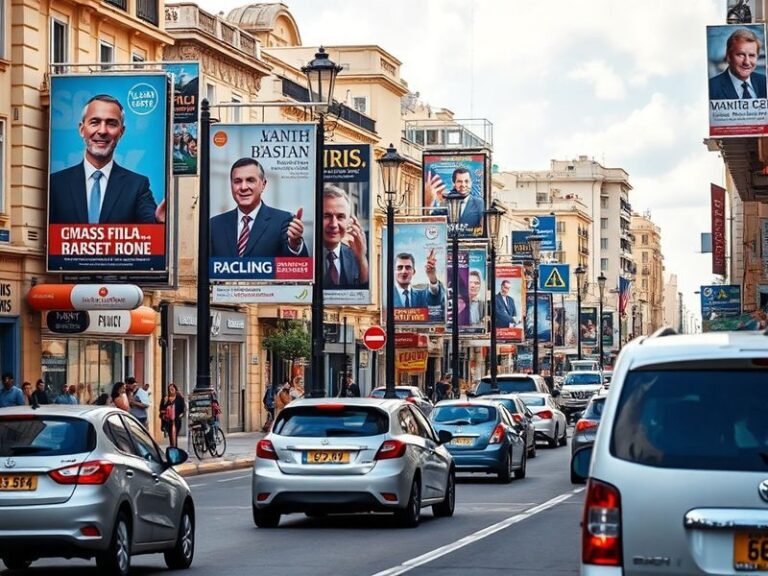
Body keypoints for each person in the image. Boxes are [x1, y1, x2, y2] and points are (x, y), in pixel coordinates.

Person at [48, 94, 162, 224]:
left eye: (111, 123)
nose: (102, 131)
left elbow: (151, 229)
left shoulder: (137, 185)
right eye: (95, 122)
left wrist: (159, 221)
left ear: (121, 132)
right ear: (81, 129)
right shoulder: (55, 184)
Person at [210, 157, 307, 258]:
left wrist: (295, 245)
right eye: (237, 181)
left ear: (263, 185)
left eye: (250, 180)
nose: (243, 187)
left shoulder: (284, 221)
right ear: (231, 185)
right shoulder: (214, 225)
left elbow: (297, 267)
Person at [322, 185, 369, 288]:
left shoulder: (356, 256)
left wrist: (361, 259)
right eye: (326, 216)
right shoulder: (307, 254)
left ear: (350, 222)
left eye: (340, 217)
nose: (334, 224)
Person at [709, 28, 767, 100]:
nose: (746, 62)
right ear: (728, 56)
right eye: (740, 55)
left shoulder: (764, 81)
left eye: (752, 55)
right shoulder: (711, 87)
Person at [426, 167, 485, 234]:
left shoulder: (479, 203)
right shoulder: (445, 202)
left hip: (471, 243)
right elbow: (432, 222)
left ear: (471, 183)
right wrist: (429, 204)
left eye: (466, 181)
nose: (463, 185)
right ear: (454, 183)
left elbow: (483, 227)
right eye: (459, 181)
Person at [160, 383, 185, 448]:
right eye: (169, 389)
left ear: (175, 390)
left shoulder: (180, 398)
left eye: (172, 389)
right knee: (171, 435)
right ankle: (173, 447)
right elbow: (161, 409)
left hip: (176, 419)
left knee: (175, 435)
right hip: (168, 420)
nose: (171, 391)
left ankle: (174, 447)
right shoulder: (165, 398)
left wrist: (181, 415)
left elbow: (182, 409)